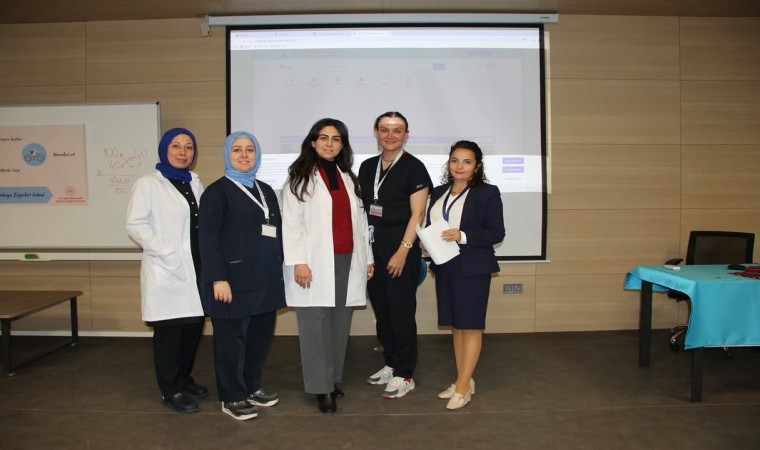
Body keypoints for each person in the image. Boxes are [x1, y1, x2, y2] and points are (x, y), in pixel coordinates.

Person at [281, 118, 375, 414]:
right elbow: (291, 224)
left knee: (339, 323)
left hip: (348, 259)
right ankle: (321, 388)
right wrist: (298, 261)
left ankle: (332, 380)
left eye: (336, 139)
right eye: (323, 137)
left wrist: (368, 258)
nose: (329, 143)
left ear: (342, 145)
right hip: (314, 262)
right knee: (315, 324)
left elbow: (361, 223)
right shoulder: (298, 179)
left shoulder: (349, 177)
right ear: (312, 142)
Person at [198, 131, 286, 421]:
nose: (244, 155)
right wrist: (217, 278)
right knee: (231, 343)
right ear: (227, 155)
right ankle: (232, 396)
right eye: (237, 150)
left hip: (265, 280)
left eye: (250, 149)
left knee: (259, 340)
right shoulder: (216, 193)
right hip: (232, 283)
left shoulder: (266, 190)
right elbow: (208, 240)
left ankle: (251, 387)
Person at [126, 127, 208, 414]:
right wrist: (166, 252)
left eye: (188, 147)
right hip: (166, 268)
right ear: (164, 149)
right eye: (176, 146)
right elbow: (135, 225)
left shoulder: (195, 182)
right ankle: (171, 389)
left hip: (195, 268)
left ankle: (184, 378)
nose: (183, 152)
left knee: (192, 329)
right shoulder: (148, 184)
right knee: (170, 334)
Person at [425, 140, 505, 410]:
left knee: (470, 326)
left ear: (477, 166)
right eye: (455, 160)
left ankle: (462, 389)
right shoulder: (438, 192)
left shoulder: (487, 193)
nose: (459, 166)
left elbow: (496, 233)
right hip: (445, 265)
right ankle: (463, 379)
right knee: (457, 326)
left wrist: (463, 235)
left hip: (472, 268)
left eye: (467, 162)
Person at [357, 111, 432, 399]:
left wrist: (403, 251)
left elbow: (418, 214)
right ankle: (391, 363)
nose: (390, 135)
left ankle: (405, 372)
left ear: (406, 135)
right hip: (373, 251)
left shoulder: (414, 168)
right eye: (385, 129)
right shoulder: (367, 167)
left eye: (397, 130)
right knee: (383, 311)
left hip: (401, 251)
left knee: (401, 313)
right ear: (376, 132)